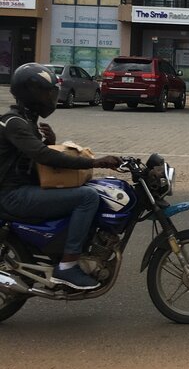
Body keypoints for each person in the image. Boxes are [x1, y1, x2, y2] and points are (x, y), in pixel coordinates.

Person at [0, 63, 121, 291]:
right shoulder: (14, 123)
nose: (50, 98)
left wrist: (49, 140)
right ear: (32, 93)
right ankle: (67, 267)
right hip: (13, 195)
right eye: (47, 93)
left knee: (91, 190)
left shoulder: (25, 122)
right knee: (87, 198)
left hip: (23, 190)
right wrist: (94, 161)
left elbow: (33, 155)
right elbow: (43, 157)